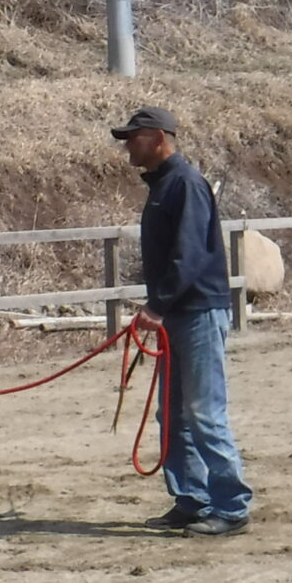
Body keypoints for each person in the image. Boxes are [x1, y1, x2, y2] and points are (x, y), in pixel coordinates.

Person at [110, 106, 253, 537]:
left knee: (203, 412)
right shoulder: (167, 185)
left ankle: (230, 505)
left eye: (133, 138)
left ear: (157, 138)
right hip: (181, 313)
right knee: (173, 413)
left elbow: (188, 254)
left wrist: (157, 305)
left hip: (196, 313)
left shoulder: (184, 184)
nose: (127, 146)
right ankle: (192, 498)